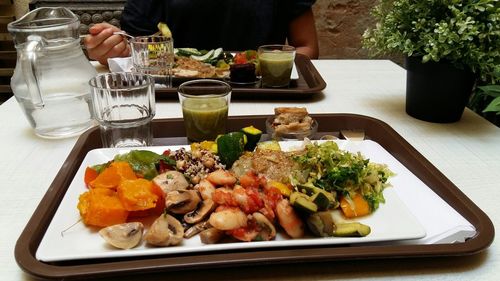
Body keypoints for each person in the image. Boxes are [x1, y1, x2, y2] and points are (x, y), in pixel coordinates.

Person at [84, 0, 319, 65]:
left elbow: (308, 47)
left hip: (264, 96)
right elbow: (135, 50)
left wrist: (266, 63)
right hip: (173, 101)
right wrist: (113, 48)